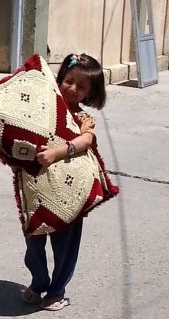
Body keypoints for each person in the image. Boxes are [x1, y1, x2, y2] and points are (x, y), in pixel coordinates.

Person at [21, 53, 107, 311]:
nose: (73, 89)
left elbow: (87, 140)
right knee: (34, 237)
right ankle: (38, 282)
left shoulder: (83, 119)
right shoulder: (43, 107)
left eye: (81, 87)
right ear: (59, 79)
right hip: (36, 189)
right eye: (69, 81)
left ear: (90, 94)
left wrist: (58, 153)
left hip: (70, 193)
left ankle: (56, 290)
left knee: (65, 244)